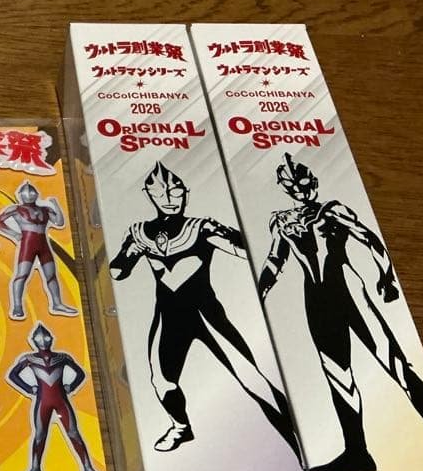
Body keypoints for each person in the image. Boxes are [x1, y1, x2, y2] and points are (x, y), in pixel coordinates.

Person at [258, 152, 423, 471]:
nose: (303, 189)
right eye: (295, 185)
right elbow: (275, 260)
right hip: (316, 300)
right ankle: (357, 453)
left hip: (350, 292)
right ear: (286, 189)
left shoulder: (334, 210)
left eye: (306, 182)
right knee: (338, 375)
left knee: (399, 369)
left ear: (313, 181)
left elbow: (369, 238)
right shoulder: (281, 221)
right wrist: (261, 291)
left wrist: (386, 278)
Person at [109, 161, 297, 454]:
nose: (169, 198)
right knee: (161, 380)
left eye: (175, 191)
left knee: (252, 378)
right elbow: (118, 272)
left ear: (185, 193)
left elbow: (247, 250)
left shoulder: (200, 227)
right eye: (161, 192)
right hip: (168, 316)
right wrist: (130, 252)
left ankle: (297, 438)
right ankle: (181, 427)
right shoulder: (139, 232)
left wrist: (234, 233)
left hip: (206, 312)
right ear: (150, 195)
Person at [6, 322, 104, 471]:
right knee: (40, 435)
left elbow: (80, 373)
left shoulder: (62, 357)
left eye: (46, 337)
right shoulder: (29, 359)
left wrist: (71, 386)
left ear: (51, 339)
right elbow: (12, 375)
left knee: (73, 432)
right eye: (40, 338)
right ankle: (35, 468)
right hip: (44, 401)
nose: (43, 340)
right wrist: (29, 388)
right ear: (34, 340)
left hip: (60, 401)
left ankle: (88, 468)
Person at [0, 181, 77, 320]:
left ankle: (57, 303)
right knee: (22, 275)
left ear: (36, 194)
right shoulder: (15, 209)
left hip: (43, 244)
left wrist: (55, 204)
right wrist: (14, 234)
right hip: (28, 244)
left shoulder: (45, 209)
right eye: (27, 192)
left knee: (51, 275)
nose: (29, 194)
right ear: (20, 195)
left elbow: (59, 222)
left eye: (32, 192)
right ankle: (17, 306)